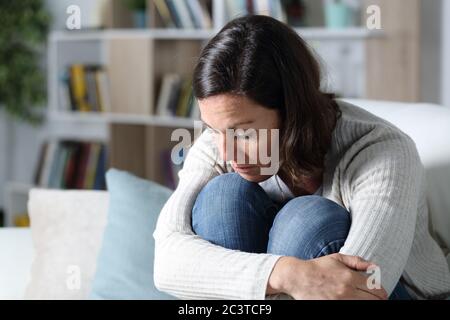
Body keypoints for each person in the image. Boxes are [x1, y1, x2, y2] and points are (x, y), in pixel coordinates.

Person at [153, 15, 450, 300]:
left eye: (244, 134)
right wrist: (289, 274)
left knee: (307, 221)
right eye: (213, 129)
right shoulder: (219, 142)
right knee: (222, 193)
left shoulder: (382, 151)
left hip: (394, 291)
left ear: (293, 111)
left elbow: (360, 289)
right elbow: (166, 261)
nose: (228, 153)